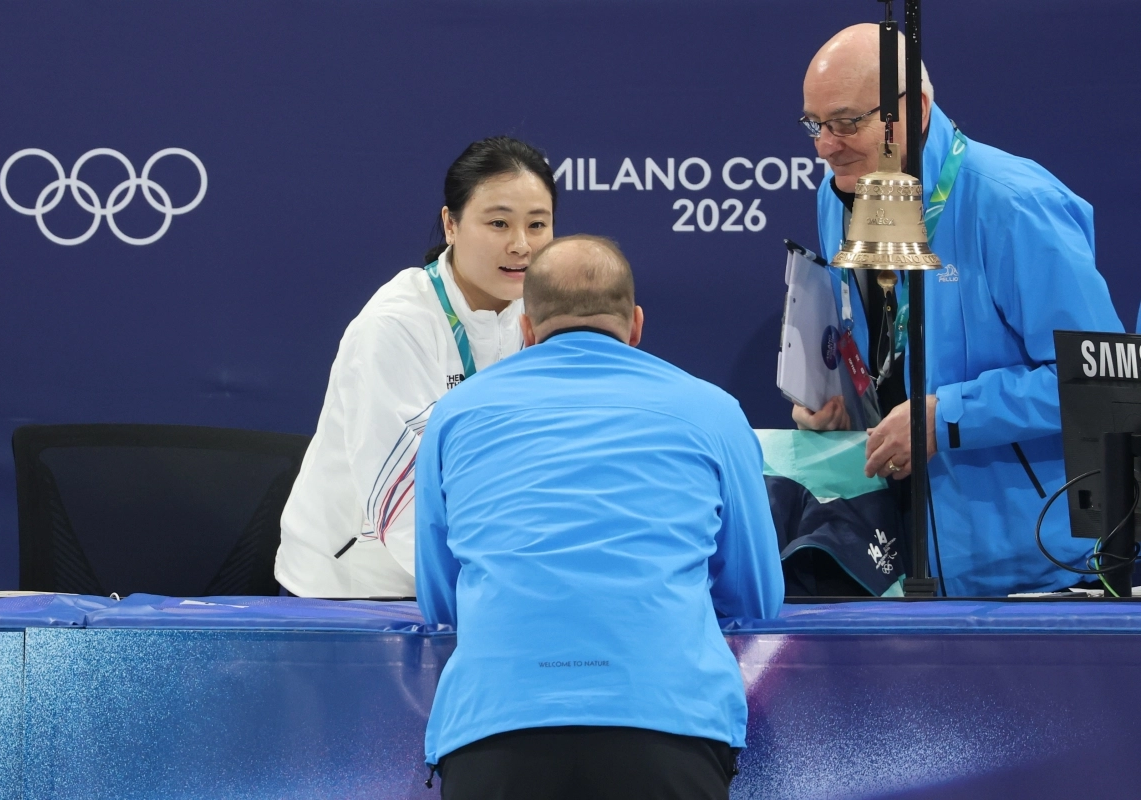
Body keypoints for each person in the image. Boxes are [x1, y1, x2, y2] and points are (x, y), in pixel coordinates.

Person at [415, 235, 784, 799]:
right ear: (635, 326)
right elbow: (756, 598)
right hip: (669, 724)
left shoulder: (456, 414)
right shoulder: (713, 411)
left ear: (526, 330)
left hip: (495, 726)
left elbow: (441, 599)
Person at [795, 25, 1123, 596]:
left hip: (1036, 571)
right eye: (815, 125)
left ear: (913, 110)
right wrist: (843, 406)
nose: (826, 145)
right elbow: (884, 345)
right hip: (900, 558)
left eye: (847, 123)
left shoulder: (1014, 206)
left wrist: (945, 418)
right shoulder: (839, 191)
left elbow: (1100, 386)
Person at [274, 137, 557, 598]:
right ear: (451, 224)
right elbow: (399, 499)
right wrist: (491, 592)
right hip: (357, 590)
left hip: (477, 576)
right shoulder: (395, 325)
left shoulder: (538, 312)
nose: (521, 245)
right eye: (499, 223)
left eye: (538, 224)